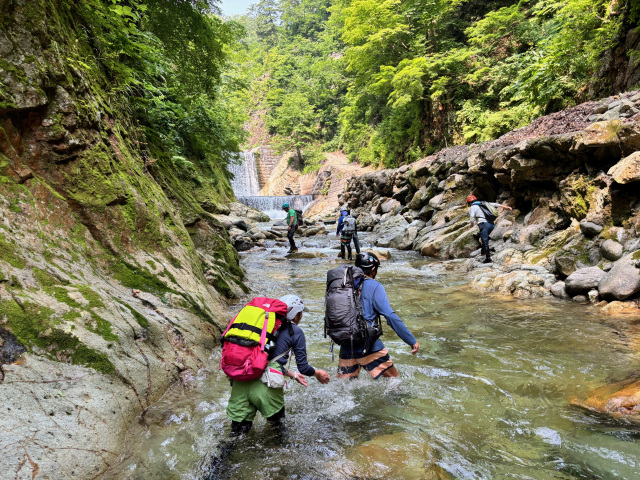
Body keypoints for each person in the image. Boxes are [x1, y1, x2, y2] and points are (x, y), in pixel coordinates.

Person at [226, 294, 330, 434]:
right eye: (300, 313)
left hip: (240, 380)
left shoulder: (261, 328)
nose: (301, 317)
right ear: (295, 314)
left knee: (236, 434)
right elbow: (304, 368)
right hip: (266, 386)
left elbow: (261, 359)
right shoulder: (296, 332)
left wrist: (292, 375)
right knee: (277, 431)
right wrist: (317, 373)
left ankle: (219, 455)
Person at [337, 252, 419, 379]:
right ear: (373, 269)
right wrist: (411, 340)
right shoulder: (375, 286)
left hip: (346, 345)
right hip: (369, 346)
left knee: (343, 390)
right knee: (394, 381)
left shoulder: (344, 285)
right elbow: (390, 316)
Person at [466, 195, 512, 264]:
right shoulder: (484, 203)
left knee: (485, 240)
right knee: (483, 237)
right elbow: (496, 204)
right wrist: (506, 207)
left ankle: (488, 258)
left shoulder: (473, 207)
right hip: (491, 224)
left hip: (483, 224)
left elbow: (472, 218)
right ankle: (483, 252)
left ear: (469, 203)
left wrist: (472, 224)